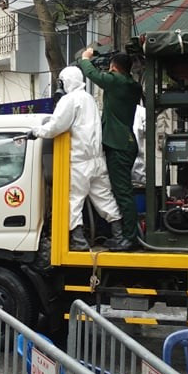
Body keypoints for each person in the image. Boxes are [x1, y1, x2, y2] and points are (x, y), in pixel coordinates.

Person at [29, 65, 130, 251]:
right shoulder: (89, 98)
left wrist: (36, 131)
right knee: (104, 197)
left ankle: (79, 241)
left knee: (74, 200)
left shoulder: (70, 100)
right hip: (97, 160)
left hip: (80, 161)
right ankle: (119, 236)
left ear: (64, 82)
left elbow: (55, 126)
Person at [78, 48, 143, 250]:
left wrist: (85, 59)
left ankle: (130, 238)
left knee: (123, 193)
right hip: (125, 143)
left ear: (114, 67)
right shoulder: (132, 85)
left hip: (118, 144)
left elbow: (92, 74)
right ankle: (125, 234)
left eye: (110, 67)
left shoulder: (117, 82)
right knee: (120, 191)